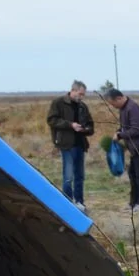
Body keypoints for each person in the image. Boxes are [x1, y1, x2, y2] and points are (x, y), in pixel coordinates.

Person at [46, 80, 94, 209]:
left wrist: (85, 129)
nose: (82, 97)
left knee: (80, 175)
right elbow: (52, 120)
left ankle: (79, 202)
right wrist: (70, 125)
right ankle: (67, 203)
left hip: (80, 144)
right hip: (66, 144)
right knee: (68, 175)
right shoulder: (58, 103)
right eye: (80, 93)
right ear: (73, 90)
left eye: (83, 95)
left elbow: (91, 125)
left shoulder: (83, 106)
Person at [106, 89, 139, 213]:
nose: (113, 106)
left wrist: (121, 135)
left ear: (119, 98)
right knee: (132, 174)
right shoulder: (123, 109)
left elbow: (137, 130)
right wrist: (119, 131)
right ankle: (133, 202)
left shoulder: (133, 108)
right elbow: (125, 126)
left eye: (113, 103)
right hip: (134, 147)